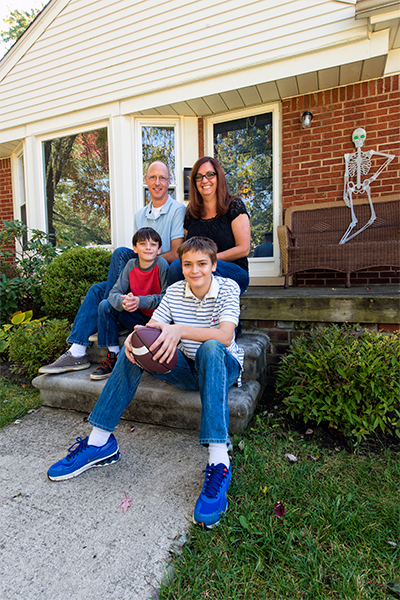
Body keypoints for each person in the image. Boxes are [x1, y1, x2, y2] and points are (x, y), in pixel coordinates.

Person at [47, 236, 244, 529]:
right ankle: (100, 442)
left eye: (202, 264)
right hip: (185, 369)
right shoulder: (175, 291)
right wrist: (138, 338)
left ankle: (219, 461)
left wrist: (177, 331)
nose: (195, 270)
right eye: (188, 264)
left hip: (220, 368)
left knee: (211, 348)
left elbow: (225, 336)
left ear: (214, 266)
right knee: (135, 347)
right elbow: (153, 328)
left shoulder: (228, 288)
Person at [39, 161, 185, 375]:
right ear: (146, 181)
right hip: (139, 275)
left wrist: (150, 255)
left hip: (157, 273)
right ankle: (77, 351)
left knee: (106, 292)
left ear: (169, 182)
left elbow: (176, 252)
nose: (157, 182)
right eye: (153, 177)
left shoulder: (177, 209)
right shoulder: (140, 214)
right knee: (98, 289)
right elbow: (135, 253)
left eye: (162, 178)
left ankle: (110, 314)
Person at [90, 227, 169, 381]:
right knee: (105, 305)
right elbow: (114, 293)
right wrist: (125, 302)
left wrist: (140, 301)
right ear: (134, 248)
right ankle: (113, 355)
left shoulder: (162, 264)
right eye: (142, 244)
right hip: (137, 317)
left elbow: (167, 297)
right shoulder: (131, 265)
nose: (148, 247)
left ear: (159, 249)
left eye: (153, 244)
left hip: (158, 320)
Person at [167, 156, 251, 294]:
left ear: (219, 177)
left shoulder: (234, 205)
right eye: (199, 177)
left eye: (210, 175)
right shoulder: (191, 212)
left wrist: (208, 260)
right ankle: (181, 311)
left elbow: (243, 249)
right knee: (177, 267)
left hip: (232, 271)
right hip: (200, 271)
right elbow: (186, 250)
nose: (204, 180)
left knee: (201, 270)